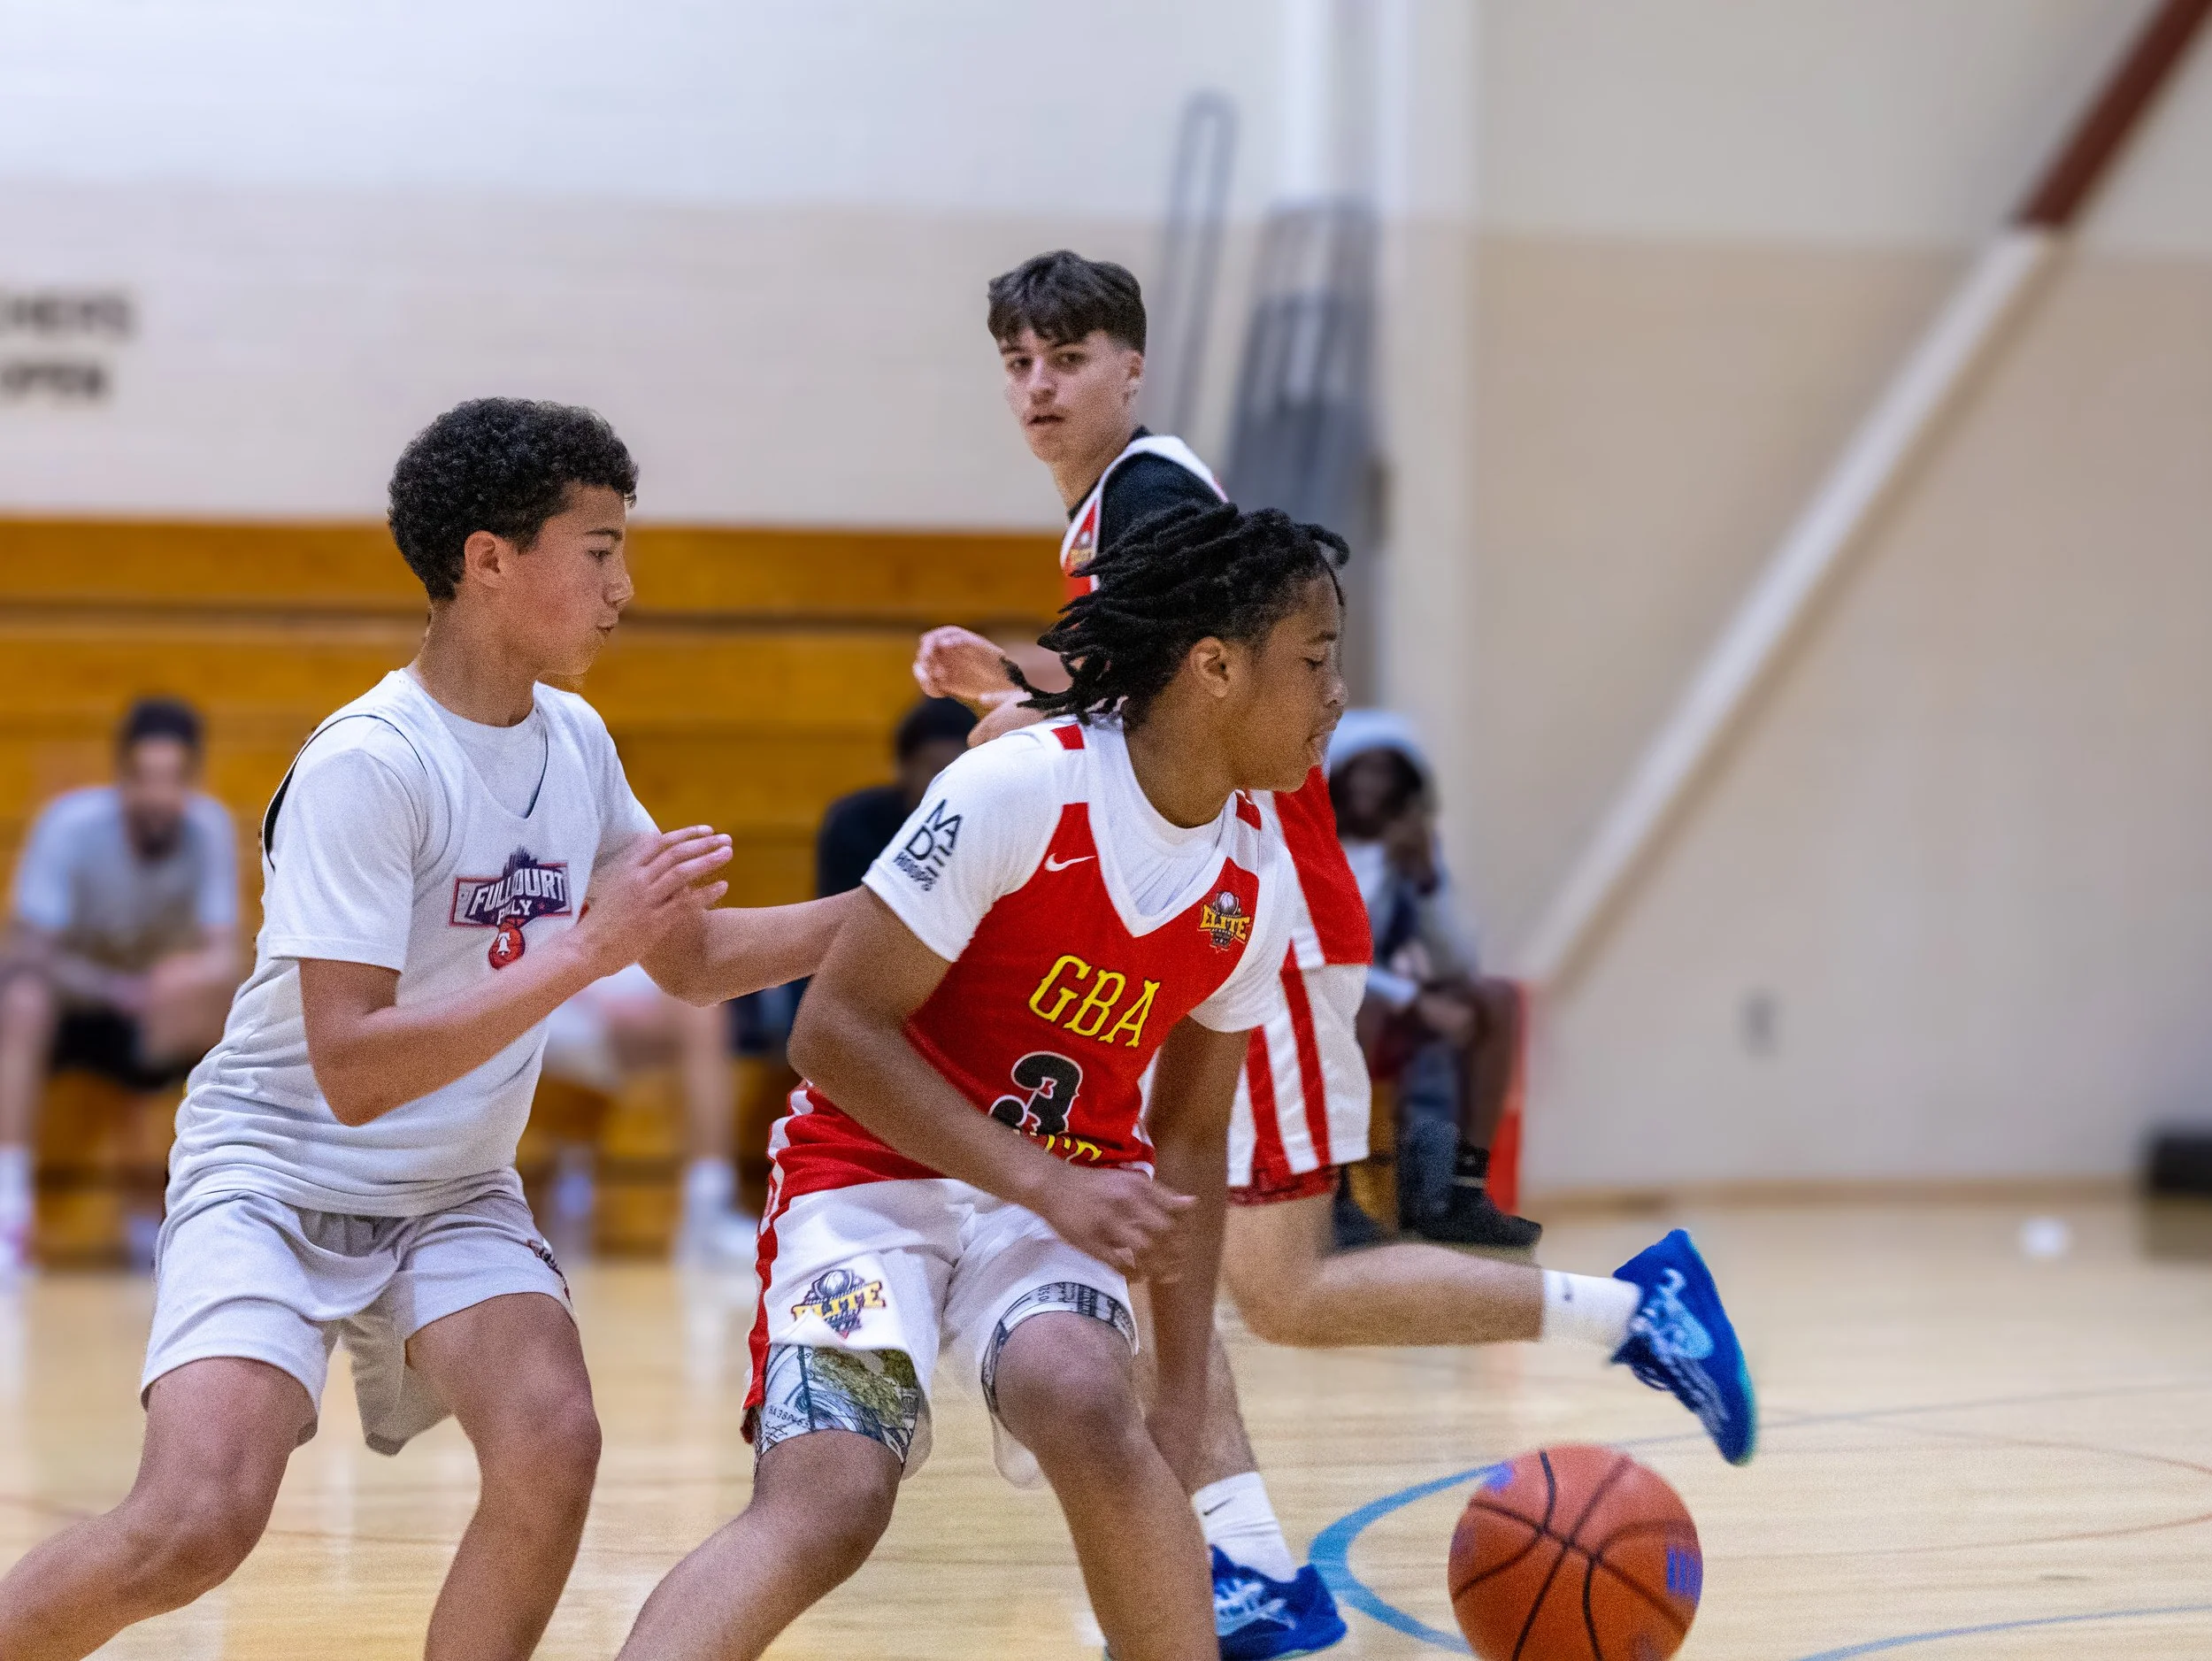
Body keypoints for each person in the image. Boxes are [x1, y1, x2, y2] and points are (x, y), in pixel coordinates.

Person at [916, 253, 1758, 1658]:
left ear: (1132, 365)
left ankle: (1629, 1313)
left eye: (1067, 356)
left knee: (1279, 1282)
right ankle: (1245, 1562)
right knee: (1181, 1256)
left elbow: (1183, 707)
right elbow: (1151, 680)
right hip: (1208, 924)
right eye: (1017, 363)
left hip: (1263, 920)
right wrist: (1017, 682)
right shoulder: (1120, 514)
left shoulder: (1154, 497)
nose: (1039, 386)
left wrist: (1021, 722)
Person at [0, 398, 852, 1661]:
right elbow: (353, 1067)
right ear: (489, 560)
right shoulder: (370, 761)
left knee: (553, 1442)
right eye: (600, 550)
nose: (625, 587)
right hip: (277, 1176)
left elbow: (693, 961)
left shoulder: (575, 741)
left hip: (450, 1188)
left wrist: (915, 900)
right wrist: (583, 950)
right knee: (194, 1522)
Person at [620, 504, 1343, 1661]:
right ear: (1215, 666)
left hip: (1054, 1200)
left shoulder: (1254, 878)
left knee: (1086, 1397)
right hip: (868, 1176)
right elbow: (833, 1032)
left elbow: (1193, 1135)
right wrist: (1046, 1183)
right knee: (832, 1493)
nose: (1336, 695)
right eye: (1314, 661)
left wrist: (1183, 1393)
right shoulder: (1017, 789)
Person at [0, 699, 243, 1277]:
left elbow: (226, 957)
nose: (158, 795)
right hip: (69, 999)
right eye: (145, 777)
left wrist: (184, 978)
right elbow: (27, 953)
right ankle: (9, 1210)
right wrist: (113, 988)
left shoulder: (208, 828)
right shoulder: (69, 827)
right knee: (22, 1001)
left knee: (222, 1013)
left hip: (147, 1003)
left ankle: (170, 1218)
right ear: (121, 778)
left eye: (172, 778)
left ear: (191, 781)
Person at [1327, 710, 1541, 1250]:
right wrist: (1414, 1002)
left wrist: (1427, 880)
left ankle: (1461, 1191)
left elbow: (1456, 963)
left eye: (1387, 772)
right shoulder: (1311, 843)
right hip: (1316, 997)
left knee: (1496, 1000)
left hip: (1380, 998)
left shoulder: (1403, 849)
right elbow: (1323, 955)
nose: (1373, 785)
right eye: (1363, 770)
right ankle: (1335, 1195)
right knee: (1365, 1009)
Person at [538, 962, 749, 1265]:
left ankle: (707, 1207)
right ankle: (709, 1208)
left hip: (628, 995)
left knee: (703, 1009)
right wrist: (595, 998)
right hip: (560, 1003)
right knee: (699, 1016)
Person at [814, 696, 978, 897]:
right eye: (935, 768)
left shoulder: (986, 828)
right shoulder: (856, 822)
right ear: (903, 766)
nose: (945, 781)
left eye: (958, 769)